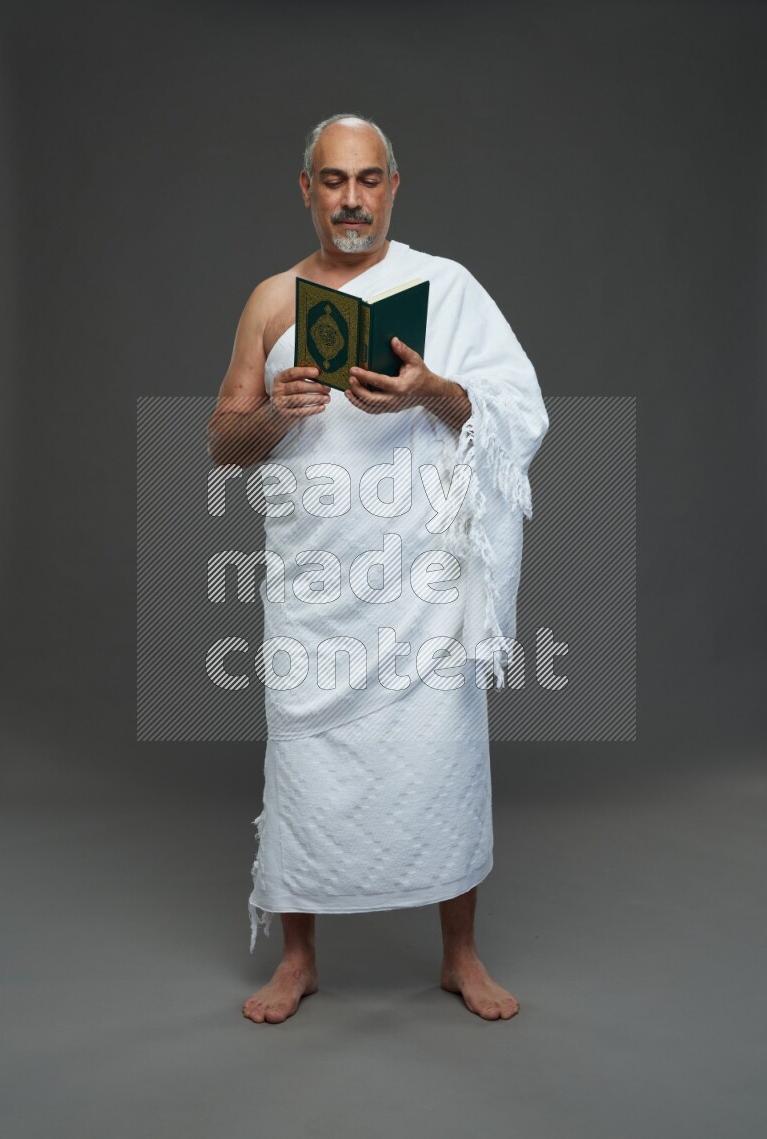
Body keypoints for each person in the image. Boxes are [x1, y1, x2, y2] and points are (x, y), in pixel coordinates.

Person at [206, 113, 549, 1023]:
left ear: (394, 187)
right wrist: (277, 413)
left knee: (442, 760)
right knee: (305, 762)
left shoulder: (449, 288)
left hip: (423, 586)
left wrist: (431, 390)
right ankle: (298, 960)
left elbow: (518, 408)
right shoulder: (272, 301)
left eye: (367, 180)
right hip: (316, 586)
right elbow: (224, 445)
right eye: (331, 180)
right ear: (307, 191)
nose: (350, 199)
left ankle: (460, 955)